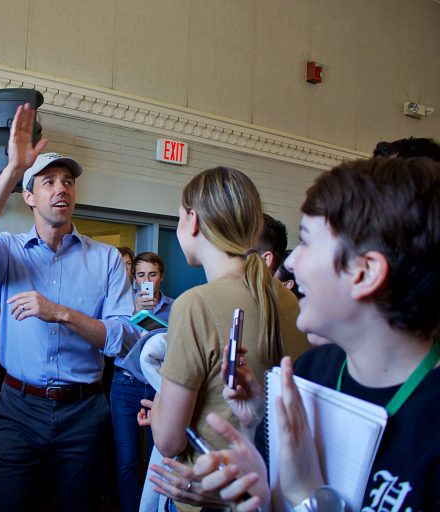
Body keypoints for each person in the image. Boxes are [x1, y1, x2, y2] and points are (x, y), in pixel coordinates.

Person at [154, 157, 440, 512]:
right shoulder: (310, 372)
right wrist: (255, 449)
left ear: (365, 274)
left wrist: (306, 494)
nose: (290, 263)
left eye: (308, 243)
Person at [0, 103, 134, 511]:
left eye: (68, 181)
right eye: (48, 181)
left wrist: (61, 313)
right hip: (19, 408)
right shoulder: (8, 253)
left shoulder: (105, 259)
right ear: (29, 196)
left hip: (84, 412)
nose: (61, 189)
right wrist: (13, 169)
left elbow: (124, 337)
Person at [147, 166, 308, 511]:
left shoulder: (196, 304)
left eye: (177, 218)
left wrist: (162, 403)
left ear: (192, 221)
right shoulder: (288, 299)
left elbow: (168, 439)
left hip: (211, 494)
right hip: (273, 491)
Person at [111, 251, 173, 512]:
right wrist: (134, 316)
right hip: (125, 386)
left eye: (152, 274)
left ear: (161, 277)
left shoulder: (176, 307)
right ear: (133, 278)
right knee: (127, 458)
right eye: (140, 274)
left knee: (158, 456)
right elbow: (112, 349)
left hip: (159, 387)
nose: (146, 279)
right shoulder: (120, 305)